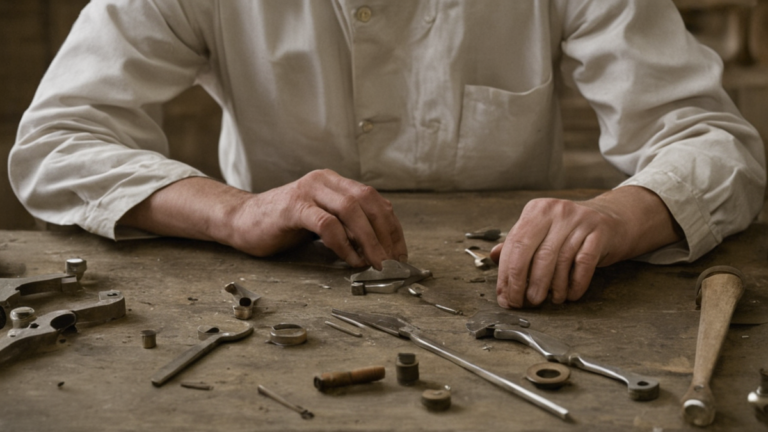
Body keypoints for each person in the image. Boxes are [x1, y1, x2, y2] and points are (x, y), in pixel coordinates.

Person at [9, 0, 765, 309]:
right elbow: (57, 143)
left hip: (529, 307)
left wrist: (621, 214)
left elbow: (715, 142)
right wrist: (234, 211)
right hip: (278, 295)